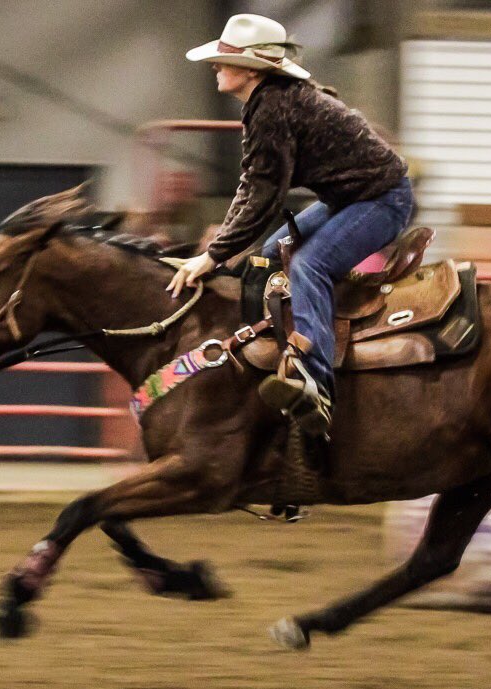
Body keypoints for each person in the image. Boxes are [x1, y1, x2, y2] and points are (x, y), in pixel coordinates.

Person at [167, 13, 413, 435]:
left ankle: (316, 381)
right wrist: (221, 249)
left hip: (381, 199)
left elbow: (264, 195)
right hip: (352, 197)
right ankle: (292, 341)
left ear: (250, 69)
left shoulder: (273, 108)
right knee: (268, 255)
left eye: (223, 60)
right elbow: (252, 186)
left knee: (308, 265)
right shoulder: (271, 100)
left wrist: (213, 255)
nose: (215, 66)